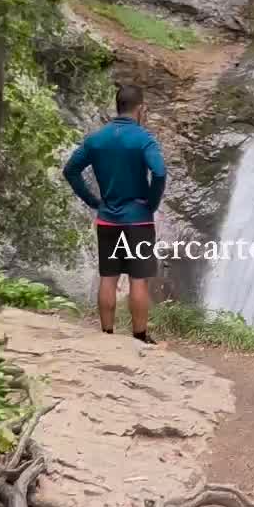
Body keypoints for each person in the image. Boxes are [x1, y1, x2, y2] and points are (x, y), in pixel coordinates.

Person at [62, 81, 167, 342]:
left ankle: (107, 335)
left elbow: (70, 170)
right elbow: (160, 172)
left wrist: (92, 200)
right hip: (138, 221)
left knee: (108, 278)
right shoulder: (144, 140)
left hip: (108, 219)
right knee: (138, 279)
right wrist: (151, 203)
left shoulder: (97, 139)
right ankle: (139, 336)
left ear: (117, 108)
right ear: (141, 109)